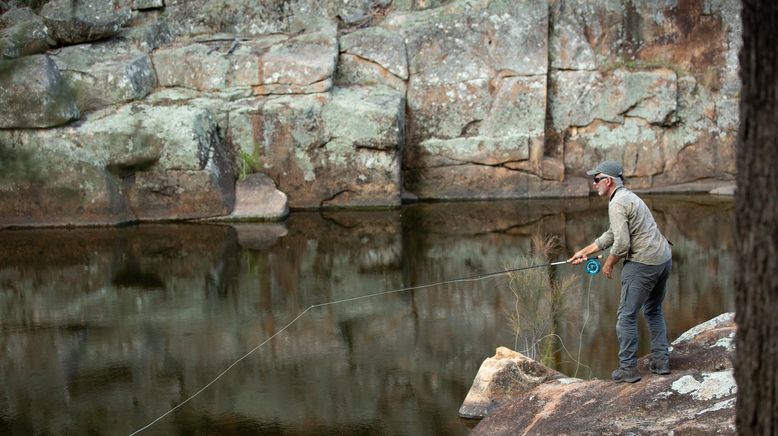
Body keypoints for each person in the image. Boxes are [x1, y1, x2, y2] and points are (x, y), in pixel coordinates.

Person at [568, 160, 672, 383]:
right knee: (653, 309)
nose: (594, 184)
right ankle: (661, 362)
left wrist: (609, 263)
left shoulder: (617, 203)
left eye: (596, 179)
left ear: (608, 181)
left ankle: (628, 370)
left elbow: (622, 244)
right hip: (663, 259)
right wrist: (583, 251)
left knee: (626, 317)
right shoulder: (628, 197)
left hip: (643, 264)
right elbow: (611, 234)